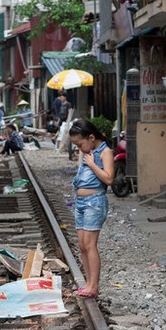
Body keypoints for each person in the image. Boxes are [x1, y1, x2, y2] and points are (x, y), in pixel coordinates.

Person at [68, 119, 114, 298]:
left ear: (91, 137)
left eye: (80, 144)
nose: (79, 148)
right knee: (81, 245)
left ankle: (94, 286)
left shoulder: (105, 152)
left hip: (94, 202)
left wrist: (93, 164)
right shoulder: (86, 152)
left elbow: (109, 179)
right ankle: (88, 282)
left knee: (90, 244)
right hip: (80, 202)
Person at [56, 94, 74, 159]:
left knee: (63, 133)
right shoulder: (61, 105)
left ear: (65, 97)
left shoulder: (68, 104)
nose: (61, 98)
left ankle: (61, 146)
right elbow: (60, 113)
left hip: (66, 121)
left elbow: (70, 112)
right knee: (60, 131)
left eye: (61, 97)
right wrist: (58, 120)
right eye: (60, 97)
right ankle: (55, 138)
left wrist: (68, 121)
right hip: (62, 121)